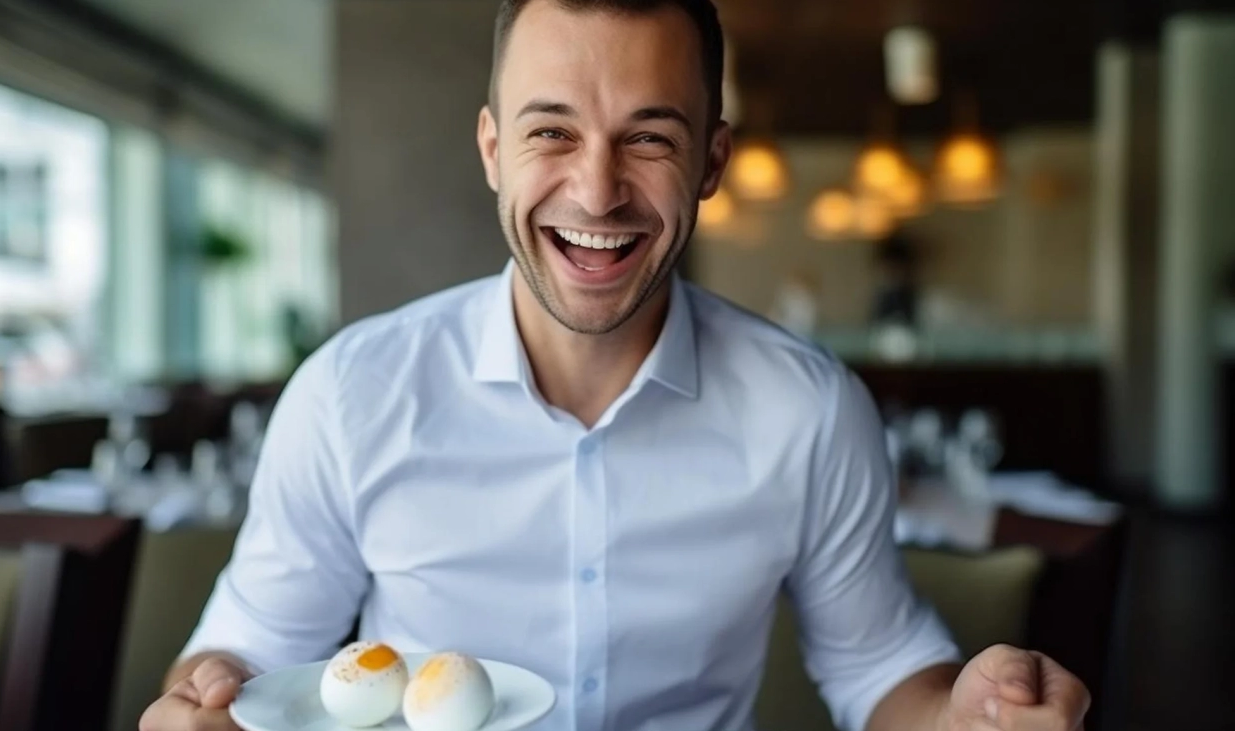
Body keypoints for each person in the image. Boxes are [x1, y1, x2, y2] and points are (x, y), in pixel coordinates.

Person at [140, 1, 1091, 729]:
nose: (597, 190)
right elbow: (244, 656)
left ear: (711, 161)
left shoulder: (808, 409)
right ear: (493, 150)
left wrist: (967, 710)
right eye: (551, 131)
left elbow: (881, 669)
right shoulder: (351, 394)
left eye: (648, 137)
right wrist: (200, 699)